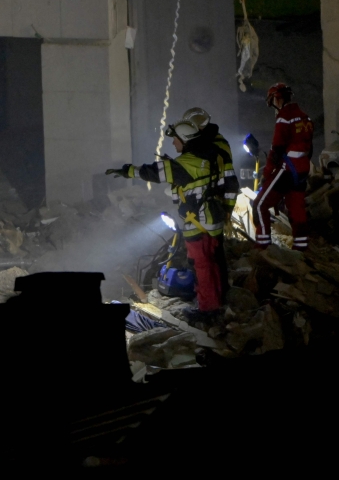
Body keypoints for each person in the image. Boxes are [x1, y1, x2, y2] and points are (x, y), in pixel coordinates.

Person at [106, 121, 228, 323]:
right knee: (211, 263)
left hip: (197, 222)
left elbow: (153, 172)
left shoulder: (184, 163)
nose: (172, 143)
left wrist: (127, 171)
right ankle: (215, 302)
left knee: (202, 266)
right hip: (211, 218)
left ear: (185, 140)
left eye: (175, 139)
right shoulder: (207, 156)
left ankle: (207, 310)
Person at [252, 83, 313, 251]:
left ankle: (262, 246)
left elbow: (276, 149)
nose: (273, 106)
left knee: (259, 204)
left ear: (277, 99)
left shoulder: (284, 117)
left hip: (287, 169)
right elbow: (310, 148)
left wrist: (267, 172)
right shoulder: (305, 117)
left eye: (273, 102)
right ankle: (301, 249)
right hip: (301, 170)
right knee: (296, 209)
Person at [179, 107, 239, 219]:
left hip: (214, 205)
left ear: (198, 128)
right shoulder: (199, 145)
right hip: (197, 205)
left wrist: (227, 210)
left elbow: (230, 181)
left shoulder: (217, 147)